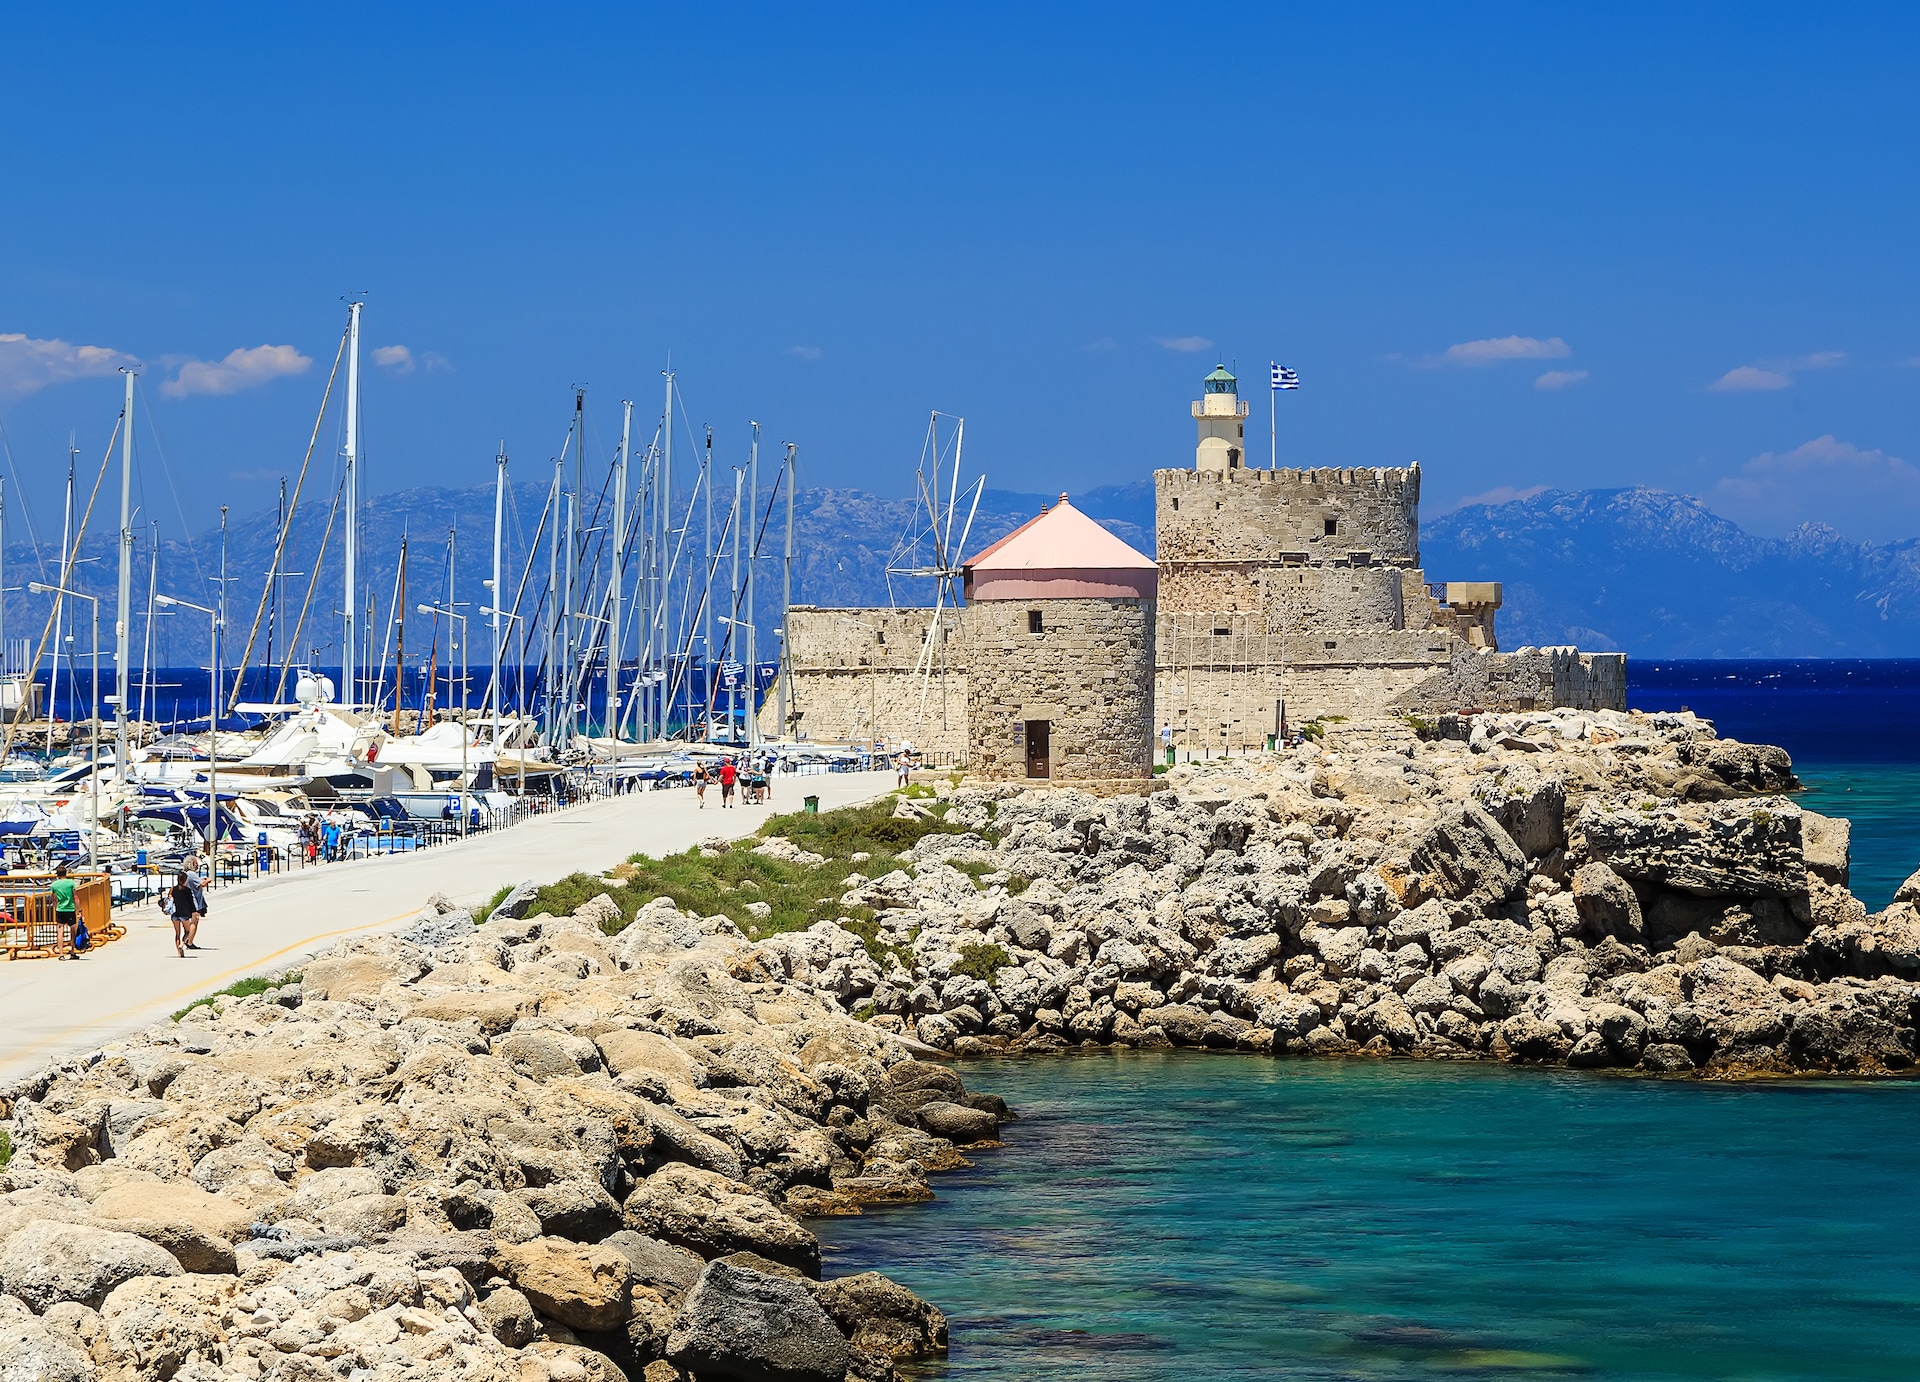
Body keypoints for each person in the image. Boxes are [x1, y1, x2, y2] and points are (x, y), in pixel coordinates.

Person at [49, 860, 79, 960]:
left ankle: (61, 954)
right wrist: (80, 910)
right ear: (66, 873)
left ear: (57, 874)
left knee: (60, 931)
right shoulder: (71, 883)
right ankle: (72, 951)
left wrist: (55, 907)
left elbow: (53, 899)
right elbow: (75, 897)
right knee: (72, 930)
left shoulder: (54, 885)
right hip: (70, 909)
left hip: (60, 909)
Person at [167, 870, 197, 958]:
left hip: (175, 914)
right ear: (185, 880)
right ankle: (182, 944)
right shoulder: (187, 890)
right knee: (187, 931)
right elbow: (191, 903)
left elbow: (169, 898)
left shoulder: (173, 889)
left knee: (177, 934)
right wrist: (194, 912)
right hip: (184, 914)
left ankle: (179, 953)